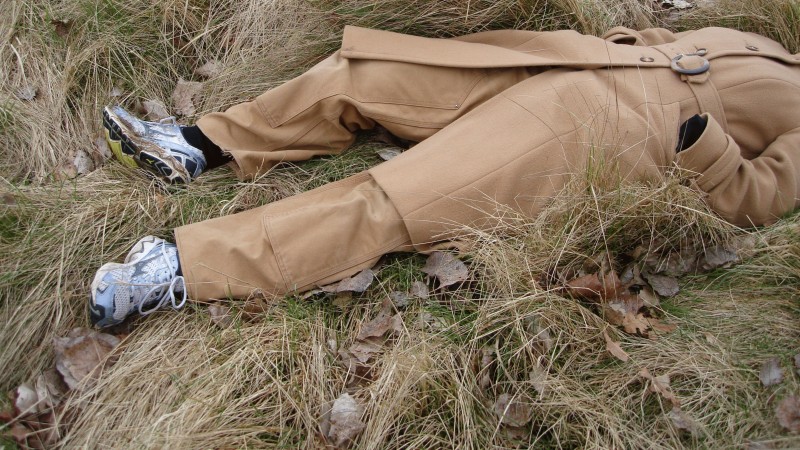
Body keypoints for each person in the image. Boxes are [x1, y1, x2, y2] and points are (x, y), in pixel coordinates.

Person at [89, 25, 800, 327]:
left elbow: (750, 198)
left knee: (402, 197)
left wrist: (693, 141)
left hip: (604, 131)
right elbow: (669, 46)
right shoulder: (772, 46)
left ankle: (183, 267)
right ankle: (194, 144)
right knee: (368, 73)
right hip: (567, 62)